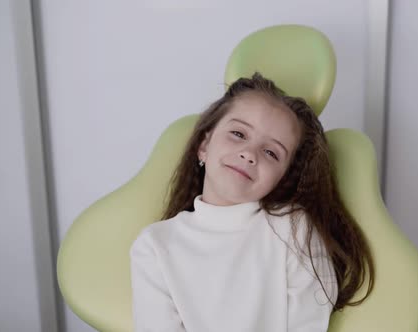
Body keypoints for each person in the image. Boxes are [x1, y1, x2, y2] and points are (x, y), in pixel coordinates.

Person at [130, 73, 375, 331]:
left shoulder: (293, 228)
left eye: (271, 152)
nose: (249, 154)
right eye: (238, 133)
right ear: (204, 144)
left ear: (282, 178)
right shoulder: (155, 245)